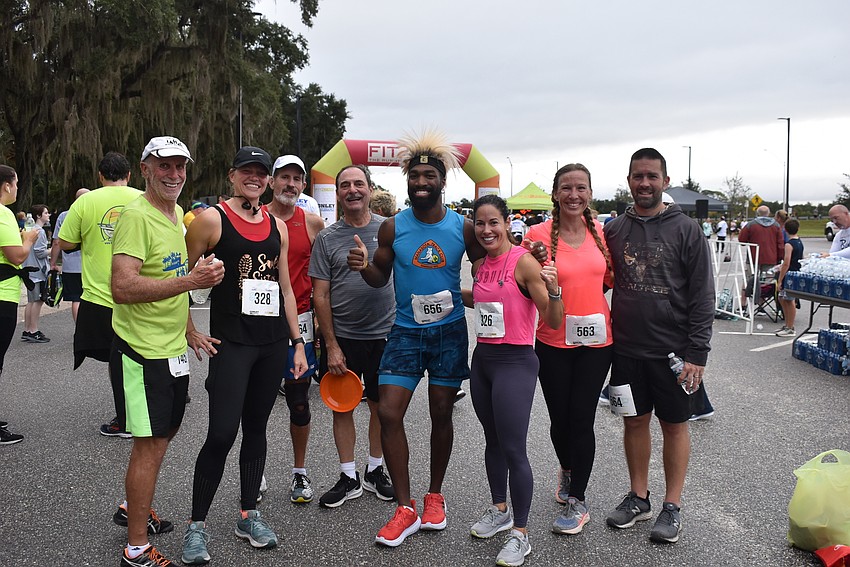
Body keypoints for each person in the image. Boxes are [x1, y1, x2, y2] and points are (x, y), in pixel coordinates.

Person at [347, 130, 486, 547]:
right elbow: (379, 279)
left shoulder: (462, 228)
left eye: (429, 176)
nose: (421, 183)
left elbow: (488, 276)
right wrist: (362, 266)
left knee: (442, 414)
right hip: (405, 331)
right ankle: (404, 508)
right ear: (407, 180)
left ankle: (435, 497)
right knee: (389, 412)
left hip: (448, 333)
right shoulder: (392, 227)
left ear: (443, 181)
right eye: (415, 176)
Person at [180, 147, 307, 564]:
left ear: (268, 181)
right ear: (232, 175)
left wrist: (297, 343)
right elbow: (179, 275)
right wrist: (189, 329)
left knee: (256, 430)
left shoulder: (276, 225)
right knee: (221, 433)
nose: (254, 178)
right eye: (246, 171)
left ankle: (248, 513)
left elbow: (286, 288)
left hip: (271, 345)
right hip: (232, 344)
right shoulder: (211, 219)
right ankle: (196, 527)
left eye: (261, 173)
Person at [112, 136, 224, 566]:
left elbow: (169, 276)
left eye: (180, 166)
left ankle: (132, 508)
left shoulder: (174, 212)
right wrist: (192, 284)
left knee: (166, 432)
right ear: (144, 169)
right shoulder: (135, 217)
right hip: (143, 351)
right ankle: (136, 549)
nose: (174, 174)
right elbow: (122, 287)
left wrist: (189, 328)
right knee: (150, 444)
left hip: (171, 345)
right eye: (164, 166)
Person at [603, 148, 714, 544]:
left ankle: (672, 505)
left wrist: (697, 354)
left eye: (652, 176)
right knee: (633, 422)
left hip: (673, 353)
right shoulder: (614, 230)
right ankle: (638, 496)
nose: (644, 183)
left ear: (665, 181)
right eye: (638, 176)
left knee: (674, 425)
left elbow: (703, 295)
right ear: (629, 180)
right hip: (627, 350)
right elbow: (598, 280)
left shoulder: (686, 229)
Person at [464, 194, 563, 567]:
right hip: (484, 361)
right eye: (480, 223)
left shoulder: (523, 262)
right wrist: (446, 298)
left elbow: (553, 320)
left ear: (507, 224)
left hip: (515, 362)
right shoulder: (480, 266)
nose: (487, 230)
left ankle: (521, 533)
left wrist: (554, 290)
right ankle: (499, 510)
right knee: (492, 440)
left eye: (493, 222)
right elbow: (487, 303)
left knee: (514, 448)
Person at [525, 164, 614, 536]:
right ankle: (568, 467)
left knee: (582, 419)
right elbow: (524, 284)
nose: (574, 195)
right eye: (566, 188)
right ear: (556, 193)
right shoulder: (537, 234)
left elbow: (608, 279)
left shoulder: (602, 233)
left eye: (581, 188)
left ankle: (578, 499)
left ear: (590, 193)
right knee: (560, 421)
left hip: (597, 343)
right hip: (552, 340)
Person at [310, 165, 396, 508]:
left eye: (358, 183)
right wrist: (330, 345)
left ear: (370, 188)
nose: (352, 190)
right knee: (341, 407)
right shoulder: (327, 239)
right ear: (338, 194)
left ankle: (375, 470)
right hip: (342, 337)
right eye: (344, 185)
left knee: (382, 407)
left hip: (385, 335)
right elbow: (320, 295)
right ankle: (349, 476)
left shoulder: (389, 231)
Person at [58, 152, 143, 437]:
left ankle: (126, 419)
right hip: (141, 292)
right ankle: (149, 409)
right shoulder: (144, 198)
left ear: (100, 175)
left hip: (101, 295)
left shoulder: (86, 201)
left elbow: (66, 242)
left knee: (116, 357)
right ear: (130, 175)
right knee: (143, 355)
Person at [265, 154, 325, 504]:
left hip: (298, 321)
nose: (290, 184)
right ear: (272, 181)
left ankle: (299, 474)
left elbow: (324, 274)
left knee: (300, 402)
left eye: (296, 178)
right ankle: (253, 472)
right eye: (283, 177)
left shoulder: (313, 223)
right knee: (252, 402)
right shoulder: (254, 217)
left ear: (303, 185)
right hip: (256, 319)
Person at [0, 165, 39, 444]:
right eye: (15, 183)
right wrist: (28, 240)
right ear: (6, 186)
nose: (16, 188)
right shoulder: (3, 214)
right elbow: (15, 256)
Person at [50, 188, 89, 321]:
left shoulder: (64, 216)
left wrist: (53, 263)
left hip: (71, 266)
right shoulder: (93, 213)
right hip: (91, 265)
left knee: (76, 298)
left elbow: (56, 242)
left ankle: (78, 327)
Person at [738, 205, 784, 310]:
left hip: (753, 257)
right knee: (767, 283)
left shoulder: (751, 225)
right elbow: (780, 243)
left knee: (748, 280)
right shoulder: (776, 226)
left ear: (757, 213)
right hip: (770, 258)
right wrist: (780, 257)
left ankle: (743, 305)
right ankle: (761, 305)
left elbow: (742, 240)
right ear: (768, 213)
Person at [20, 204, 51, 342]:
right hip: (37, 271)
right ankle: (33, 330)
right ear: (38, 216)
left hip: (28, 269)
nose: (48, 215)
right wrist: (53, 251)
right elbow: (40, 252)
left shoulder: (29, 229)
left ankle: (27, 329)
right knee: (37, 301)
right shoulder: (40, 231)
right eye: (46, 213)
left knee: (31, 301)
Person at [776, 219, 804, 337]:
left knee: (789, 300)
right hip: (795, 271)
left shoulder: (789, 244)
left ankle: (790, 327)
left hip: (790, 274)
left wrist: (780, 279)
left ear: (785, 229)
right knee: (782, 298)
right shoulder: (799, 242)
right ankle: (787, 324)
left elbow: (787, 262)